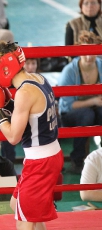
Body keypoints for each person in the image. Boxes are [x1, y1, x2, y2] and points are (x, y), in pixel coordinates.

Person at [0, 41, 65, 230]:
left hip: (40, 162)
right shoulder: (39, 79)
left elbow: (13, 136)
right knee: (16, 205)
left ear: (4, 68)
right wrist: (8, 106)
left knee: (23, 225)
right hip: (48, 155)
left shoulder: (24, 93)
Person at [58, 30, 102, 174]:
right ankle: (77, 160)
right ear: (78, 51)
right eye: (85, 51)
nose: (89, 56)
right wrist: (94, 100)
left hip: (96, 109)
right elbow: (68, 105)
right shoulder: (69, 71)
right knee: (87, 114)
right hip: (69, 114)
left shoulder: (100, 66)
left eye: (93, 51)